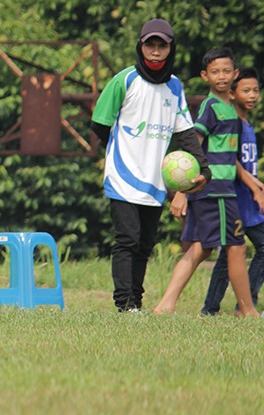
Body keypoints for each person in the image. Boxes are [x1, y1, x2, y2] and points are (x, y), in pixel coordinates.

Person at [90, 18, 209, 313]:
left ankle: (136, 303)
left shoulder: (175, 86)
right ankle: (123, 304)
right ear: (140, 47)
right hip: (123, 176)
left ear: (171, 49)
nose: (155, 52)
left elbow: (185, 132)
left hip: (156, 181)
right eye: (150, 45)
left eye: (162, 46)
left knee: (145, 244)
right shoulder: (125, 80)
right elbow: (99, 124)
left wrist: (204, 169)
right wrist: (126, 151)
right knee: (127, 240)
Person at [153, 47, 260, 316]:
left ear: (235, 74)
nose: (221, 76)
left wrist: (252, 183)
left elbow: (228, 158)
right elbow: (194, 144)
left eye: (226, 71)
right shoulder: (211, 107)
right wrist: (182, 191)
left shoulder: (231, 111)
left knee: (202, 247)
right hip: (215, 192)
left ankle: (165, 304)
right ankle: (248, 311)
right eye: (215, 72)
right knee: (235, 246)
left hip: (223, 191)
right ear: (205, 76)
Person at [201, 67, 264, 314]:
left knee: (230, 253)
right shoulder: (232, 122)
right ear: (233, 93)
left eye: (256, 90)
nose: (252, 96)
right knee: (231, 252)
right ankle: (242, 304)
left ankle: (218, 306)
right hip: (237, 197)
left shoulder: (247, 123)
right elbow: (232, 162)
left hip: (249, 199)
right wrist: (255, 188)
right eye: (245, 90)